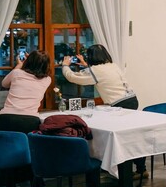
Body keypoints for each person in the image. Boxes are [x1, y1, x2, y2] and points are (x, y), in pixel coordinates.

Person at [62, 44, 145, 175]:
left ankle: (120, 170)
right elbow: (101, 74)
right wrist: (86, 66)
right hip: (132, 100)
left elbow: (73, 77)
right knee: (130, 137)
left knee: (119, 139)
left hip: (119, 104)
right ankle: (141, 169)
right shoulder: (113, 66)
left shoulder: (94, 71)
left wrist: (65, 65)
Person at [0, 49, 51, 187]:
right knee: (33, 151)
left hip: (5, 118)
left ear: (28, 61)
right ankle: (39, 186)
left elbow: (4, 83)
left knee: (8, 151)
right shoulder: (47, 80)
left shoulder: (17, 73)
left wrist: (19, 65)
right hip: (28, 119)